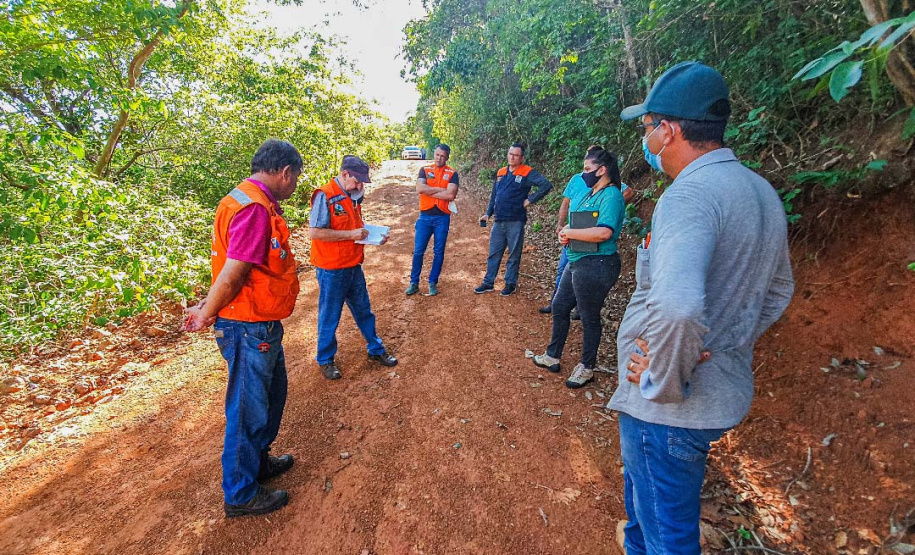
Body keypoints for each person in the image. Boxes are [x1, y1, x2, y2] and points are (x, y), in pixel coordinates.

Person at [609, 62, 794, 555]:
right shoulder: (759, 191)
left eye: (647, 128)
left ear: (667, 130)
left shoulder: (688, 196)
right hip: (720, 394)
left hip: (667, 411)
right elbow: (777, 293)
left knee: (666, 538)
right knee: (645, 519)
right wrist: (724, 343)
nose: (645, 140)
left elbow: (678, 306)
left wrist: (666, 376)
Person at [183, 139, 302, 518]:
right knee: (248, 409)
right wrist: (207, 313)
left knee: (272, 395)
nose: (295, 184)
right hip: (248, 327)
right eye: (295, 177)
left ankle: (258, 462)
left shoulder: (247, 199)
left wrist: (207, 302)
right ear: (284, 172)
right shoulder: (253, 208)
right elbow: (234, 273)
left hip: (259, 323)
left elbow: (230, 264)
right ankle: (240, 493)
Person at [532, 146, 626, 388]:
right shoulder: (590, 192)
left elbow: (604, 231)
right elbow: (579, 222)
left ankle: (587, 367)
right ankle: (552, 356)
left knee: (588, 315)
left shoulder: (612, 195)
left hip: (597, 264)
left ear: (602, 170)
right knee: (560, 306)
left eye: (588, 169)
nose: (584, 174)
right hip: (576, 259)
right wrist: (567, 235)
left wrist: (570, 232)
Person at [309, 155, 398, 380]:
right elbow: (316, 232)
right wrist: (351, 234)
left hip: (352, 266)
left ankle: (376, 350)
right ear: (345, 174)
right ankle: (325, 360)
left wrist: (373, 236)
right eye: (357, 181)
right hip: (331, 269)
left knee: (364, 311)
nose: (360, 186)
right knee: (330, 316)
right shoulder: (325, 195)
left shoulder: (353, 196)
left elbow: (355, 226)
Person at [539, 176, 635, 315]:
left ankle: (580, 308)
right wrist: (561, 224)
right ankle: (557, 303)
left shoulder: (608, 186)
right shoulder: (576, 179)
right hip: (573, 234)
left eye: (589, 167)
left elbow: (628, 192)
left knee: (583, 275)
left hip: (592, 239)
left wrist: (608, 212)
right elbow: (566, 202)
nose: (586, 171)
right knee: (564, 269)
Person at [475, 142, 553, 296]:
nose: (512, 157)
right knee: (494, 253)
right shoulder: (501, 172)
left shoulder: (527, 172)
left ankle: (510, 283)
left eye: (516, 155)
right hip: (499, 219)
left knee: (513, 254)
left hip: (516, 220)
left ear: (522, 158)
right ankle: (488, 282)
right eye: (510, 154)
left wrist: (530, 199)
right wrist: (488, 213)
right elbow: (494, 195)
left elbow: (545, 185)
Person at [406, 144, 460, 296]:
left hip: (442, 217)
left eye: (443, 156)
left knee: (438, 251)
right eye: (437, 155)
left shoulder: (452, 173)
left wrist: (430, 191)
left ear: (447, 157)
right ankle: (414, 282)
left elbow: (450, 195)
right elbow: (420, 189)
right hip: (425, 216)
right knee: (418, 251)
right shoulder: (425, 170)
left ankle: (432, 282)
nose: (439, 158)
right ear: (434, 154)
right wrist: (441, 190)